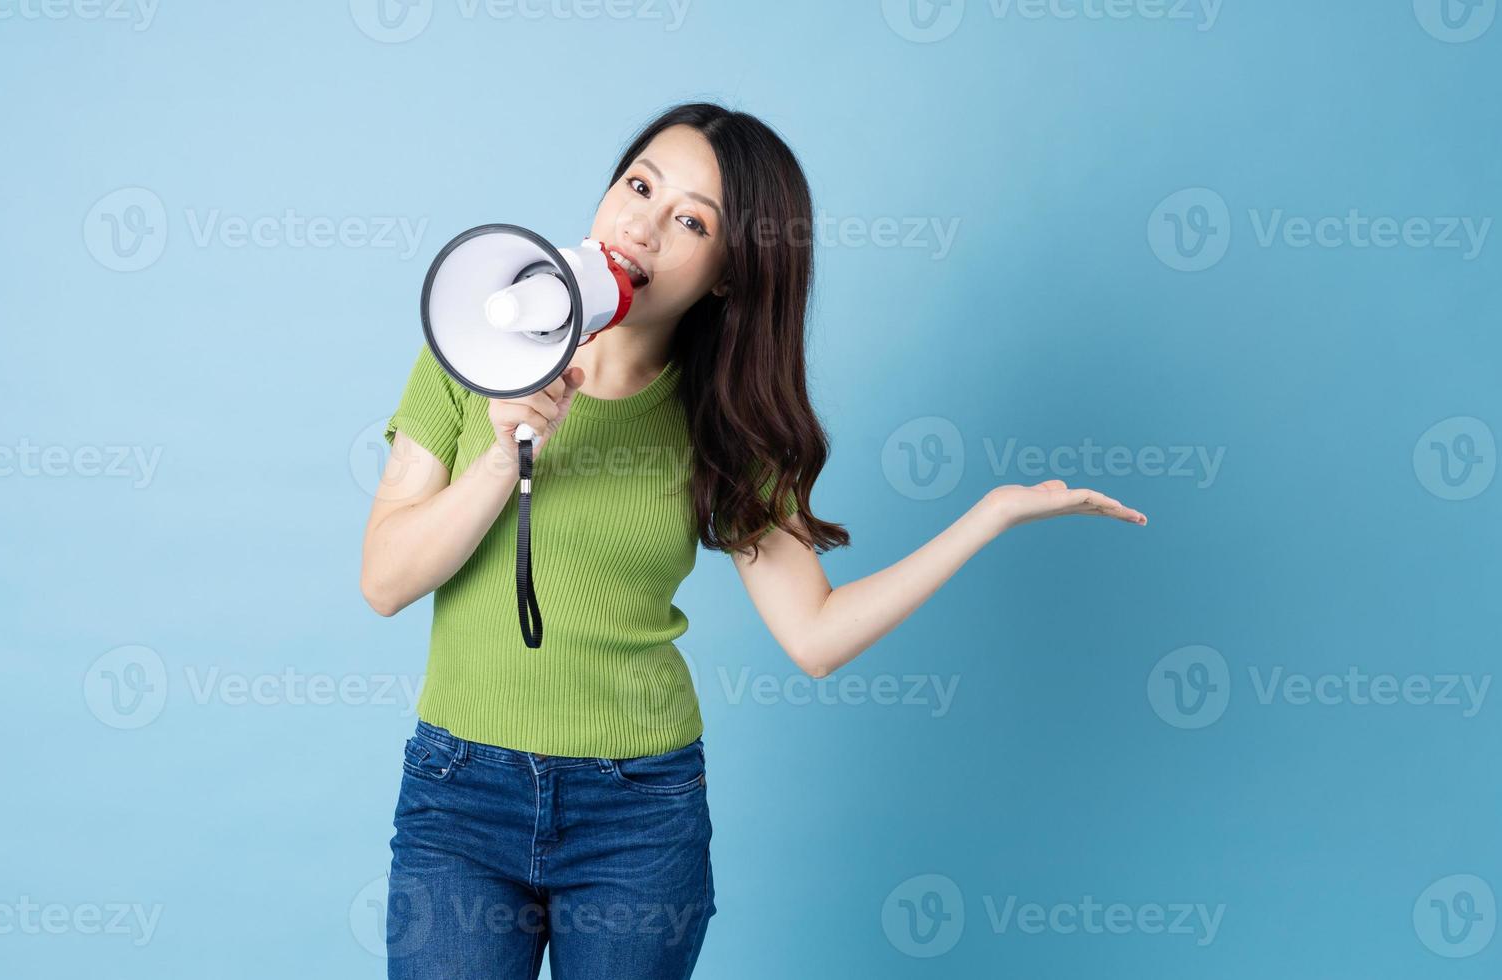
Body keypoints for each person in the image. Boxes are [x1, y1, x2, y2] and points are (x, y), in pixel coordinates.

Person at [360, 100, 1147, 979]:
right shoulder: (472, 341)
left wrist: (986, 517)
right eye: (639, 185)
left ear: (728, 274)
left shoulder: (721, 422)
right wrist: (503, 460)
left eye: (690, 220)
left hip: (635, 816)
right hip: (459, 797)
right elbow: (386, 580)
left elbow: (814, 636)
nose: (644, 224)